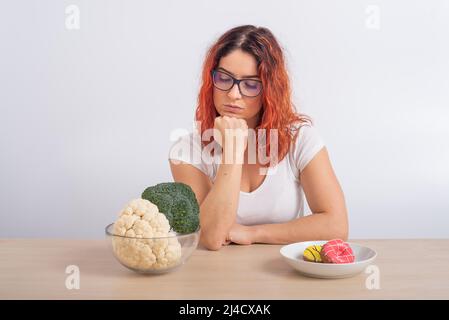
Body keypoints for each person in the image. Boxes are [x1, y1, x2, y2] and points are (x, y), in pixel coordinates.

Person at [168, 25, 348, 251]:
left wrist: (253, 233)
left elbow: (336, 225)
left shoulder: (300, 139)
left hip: (284, 275)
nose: (233, 94)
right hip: (214, 277)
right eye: (224, 79)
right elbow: (211, 237)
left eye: (251, 84)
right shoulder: (186, 150)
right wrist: (232, 154)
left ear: (270, 90)